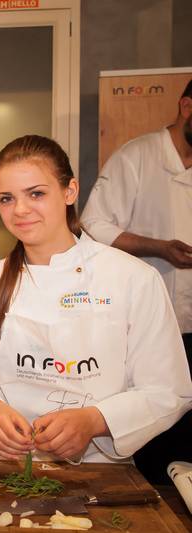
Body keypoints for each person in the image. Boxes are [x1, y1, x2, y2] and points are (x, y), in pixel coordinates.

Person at [0, 135, 192, 464]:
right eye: (6, 198)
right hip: (6, 468)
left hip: (101, 473)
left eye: (36, 193)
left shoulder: (132, 279)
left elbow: (169, 390)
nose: (20, 209)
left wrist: (94, 420)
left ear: (70, 191)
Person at [81, 80, 192, 481]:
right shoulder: (138, 156)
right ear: (185, 106)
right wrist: (158, 247)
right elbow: (93, 224)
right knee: (154, 440)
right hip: (145, 324)